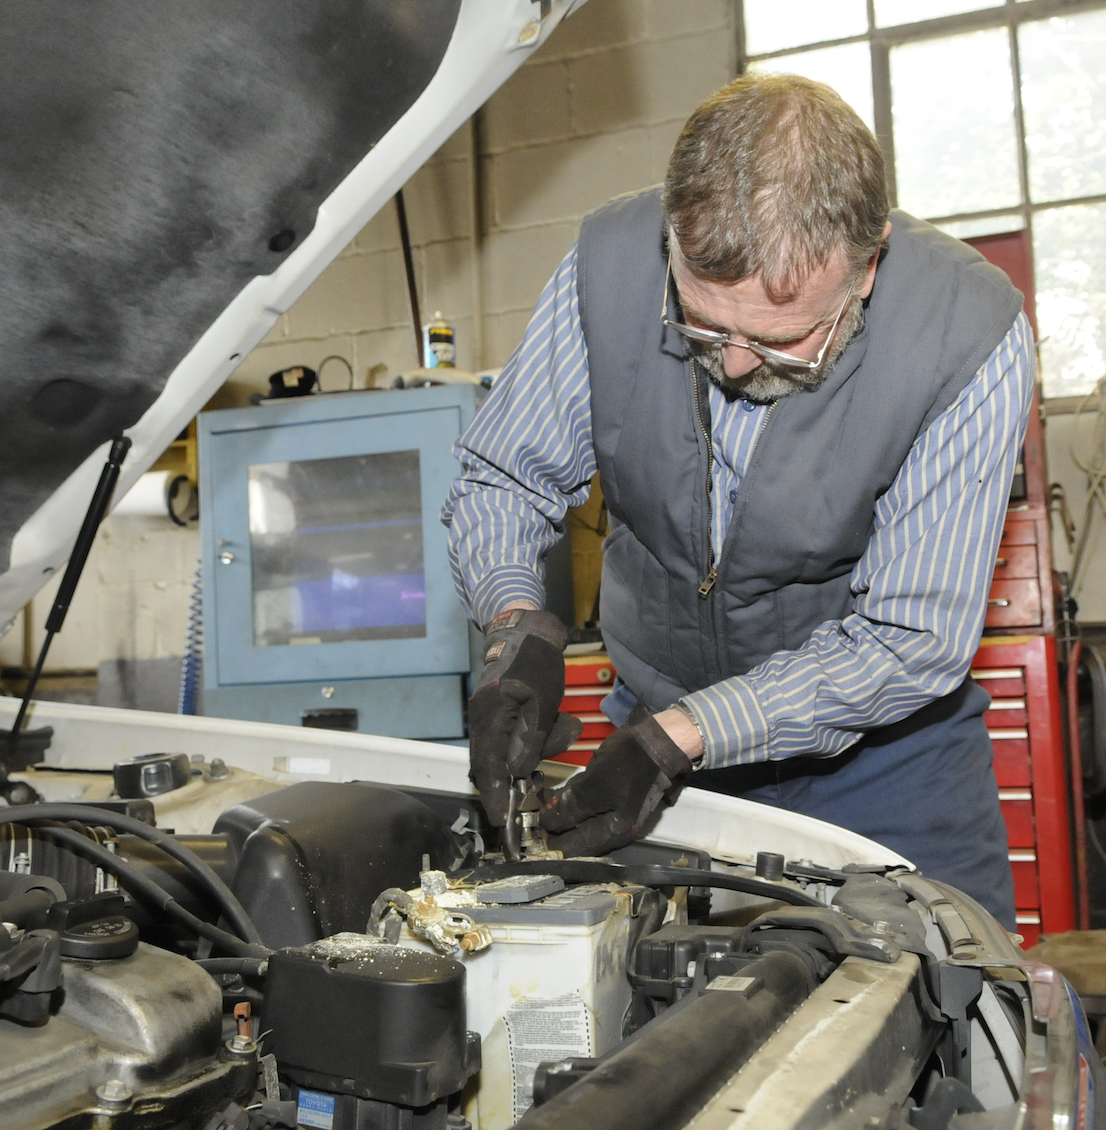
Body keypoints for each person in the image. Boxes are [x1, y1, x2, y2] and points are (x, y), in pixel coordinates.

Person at [441, 72, 1034, 928]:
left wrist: (684, 734)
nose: (740, 364)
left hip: (889, 769)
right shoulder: (610, 266)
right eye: (703, 326)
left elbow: (910, 637)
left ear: (867, 269)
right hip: (649, 741)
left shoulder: (969, 334)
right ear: (672, 245)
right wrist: (515, 628)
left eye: (782, 339)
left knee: (950, 1025)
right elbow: (506, 473)